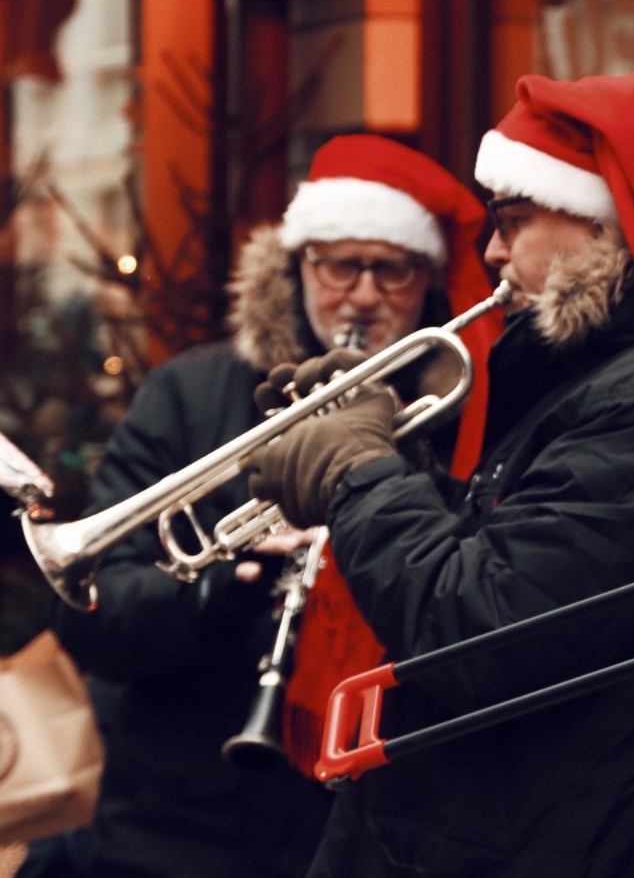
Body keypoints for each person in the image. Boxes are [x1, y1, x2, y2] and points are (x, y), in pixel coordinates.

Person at [245, 71, 634, 877]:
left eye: (513, 219)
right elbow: (540, 573)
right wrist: (411, 464)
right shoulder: (611, 378)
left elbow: (482, 633)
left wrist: (359, 472)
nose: (491, 251)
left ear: (608, 224)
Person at [37, 134, 501, 878]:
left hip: (372, 825)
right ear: (298, 265)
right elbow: (91, 620)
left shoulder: (465, 417)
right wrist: (227, 584)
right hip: (177, 825)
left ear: (429, 282)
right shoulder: (191, 394)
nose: (363, 295)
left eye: (393, 270)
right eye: (340, 265)